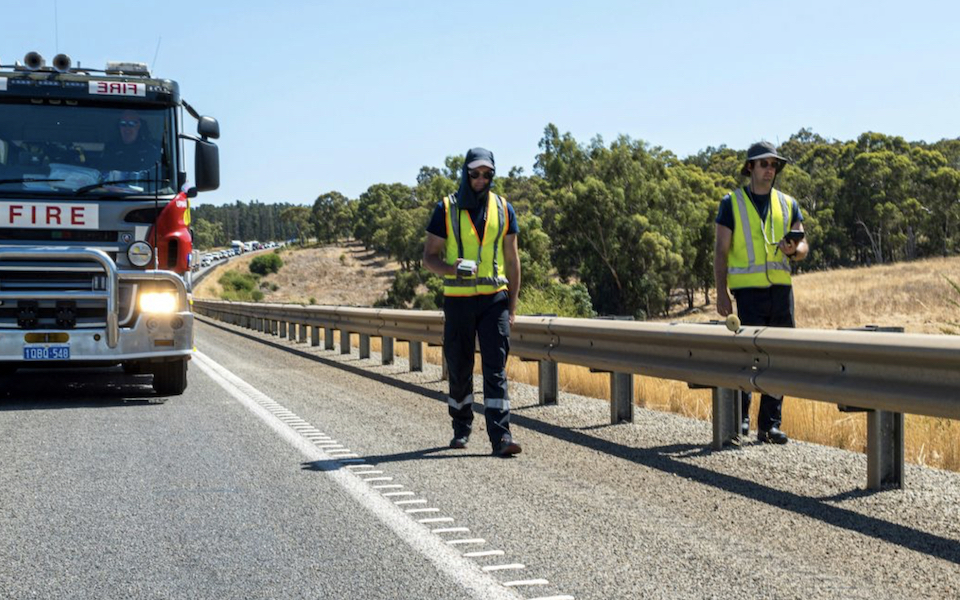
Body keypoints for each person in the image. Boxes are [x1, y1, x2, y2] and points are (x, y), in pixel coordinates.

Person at [423, 147, 523, 456]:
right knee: (460, 366)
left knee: (495, 370)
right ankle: (461, 427)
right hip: (458, 300)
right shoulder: (446, 209)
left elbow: (512, 258)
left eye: (487, 174)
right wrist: (452, 269)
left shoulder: (504, 209)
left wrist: (513, 306)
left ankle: (501, 437)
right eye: (475, 173)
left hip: (494, 300)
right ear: (466, 173)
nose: (481, 179)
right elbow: (429, 257)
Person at [714, 141, 809, 444]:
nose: (770, 169)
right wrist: (721, 293)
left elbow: (803, 246)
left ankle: (770, 425)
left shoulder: (787, 203)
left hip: (781, 291)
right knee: (749, 356)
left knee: (779, 356)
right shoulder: (732, 203)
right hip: (747, 292)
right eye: (763, 164)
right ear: (750, 167)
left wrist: (795, 250)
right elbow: (720, 251)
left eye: (773, 165)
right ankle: (740, 419)